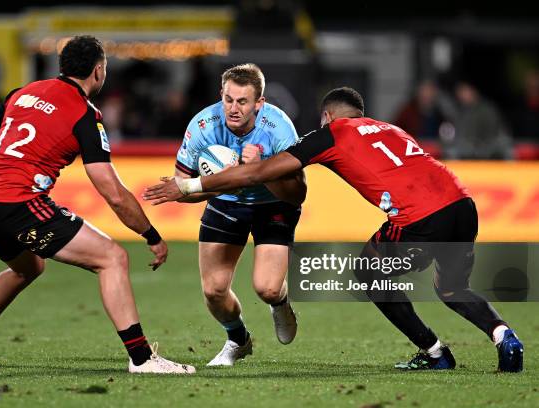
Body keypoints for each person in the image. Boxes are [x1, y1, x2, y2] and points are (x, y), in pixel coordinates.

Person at [144, 87, 524, 373]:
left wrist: (190, 187)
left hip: (419, 216)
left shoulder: (330, 134)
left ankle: (435, 353)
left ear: (327, 117)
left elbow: (261, 173)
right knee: (452, 287)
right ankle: (504, 336)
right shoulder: (390, 128)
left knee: (368, 275)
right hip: (463, 204)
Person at [0, 35, 194, 374]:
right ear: (98, 71)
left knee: (27, 268)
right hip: (19, 204)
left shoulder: (23, 93)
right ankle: (143, 359)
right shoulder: (84, 113)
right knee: (112, 258)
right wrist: (151, 234)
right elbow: (112, 191)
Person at [172, 63, 306, 366]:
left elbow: (298, 193)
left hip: (273, 203)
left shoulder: (279, 127)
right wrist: (225, 181)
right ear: (221, 95)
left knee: (268, 288)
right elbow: (181, 189)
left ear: (259, 104)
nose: (233, 109)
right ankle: (238, 340)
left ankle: (280, 303)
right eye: (228, 99)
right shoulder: (202, 126)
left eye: (243, 102)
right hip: (226, 202)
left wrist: (261, 171)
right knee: (214, 290)